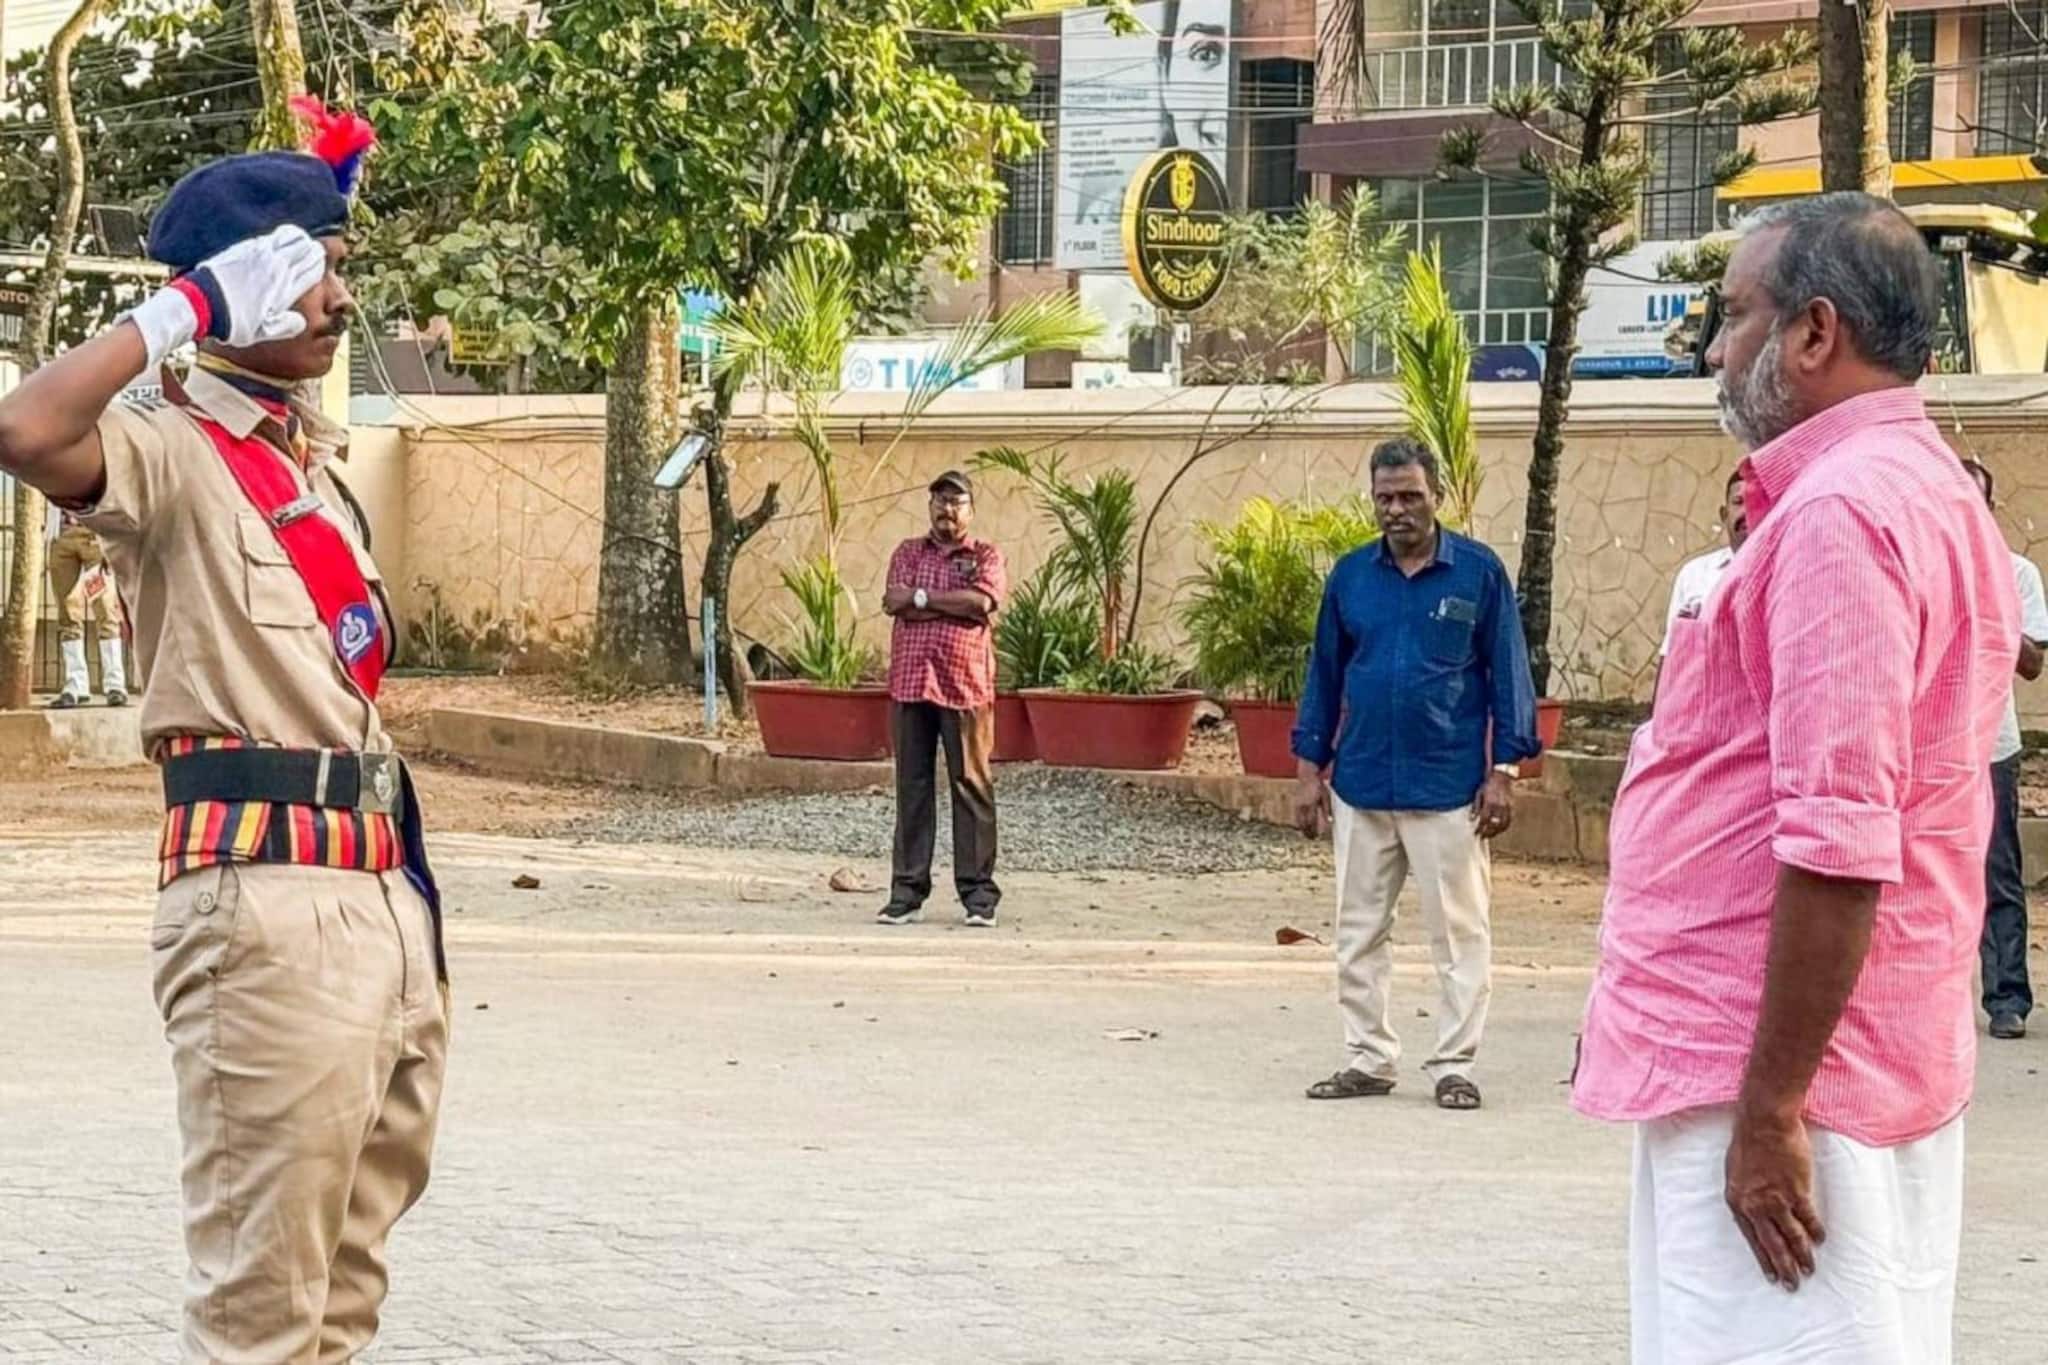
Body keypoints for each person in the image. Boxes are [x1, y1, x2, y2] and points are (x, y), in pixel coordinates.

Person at [0, 101, 449, 1364]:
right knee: (260, 1310)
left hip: (380, 895)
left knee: (342, 1296)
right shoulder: (172, 452)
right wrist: (185, 311)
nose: (335, 298)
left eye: (337, 269)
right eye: (310, 272)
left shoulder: (313, 469)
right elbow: (24, 430)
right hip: (263, 901)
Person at [1572, 192, 2018, 1364]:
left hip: (1780, 1086)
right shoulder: (1916, 491)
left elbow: (1839, 840)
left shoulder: (1840, 516)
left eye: (1732, 318)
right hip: (1825, 1061)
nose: (1716, 350)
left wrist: (1769, 1112)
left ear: (1813, 333)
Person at [1291, 437, 1541, 1112]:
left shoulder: (1478, 574)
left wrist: (1505, 768)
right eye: (1385, 498)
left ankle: (1454, 1064)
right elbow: (1324, 673)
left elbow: (1509, 672)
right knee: (1357, 930)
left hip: (1448, 788)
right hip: (1363, 784)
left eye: (1409, 495)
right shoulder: (1350, 577)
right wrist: (1309, 767)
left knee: (1459, 932)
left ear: (1438, 495)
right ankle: (1368, 1058)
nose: (1397, 509)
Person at [878, 470, 1008, 927]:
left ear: (971, 510)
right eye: (938, 499)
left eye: (955, 501)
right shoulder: (907, 552)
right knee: (912, 788)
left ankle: (978, 897)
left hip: (964, 687)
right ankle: (906, 894)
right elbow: (893, 599)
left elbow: (981, 603)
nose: (945, 508)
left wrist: (923, 600)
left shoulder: (986, 555)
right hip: (911, 685)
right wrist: (940, 600)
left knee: (970, 786)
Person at [1961, 458, 2048, 1041]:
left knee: (1998, 874)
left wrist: (1989, 602)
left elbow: (2034, 664)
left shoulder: (2016, 574)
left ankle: (2007, 998)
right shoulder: (1917, 562)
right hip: (1923, 748)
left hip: (1991, 745)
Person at [44, 508, 128, 707]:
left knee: (105, 607)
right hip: (62, 534)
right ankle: (76, 685)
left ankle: (115, 684)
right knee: (68, 612)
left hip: (93, 536)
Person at [1660, 469, 1747, 655]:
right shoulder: (1695, 574)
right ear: (1724, 514)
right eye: (1738, 502)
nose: (1746, 512)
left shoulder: (1784, 570)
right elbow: (1671, 653)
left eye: (1755, 502)